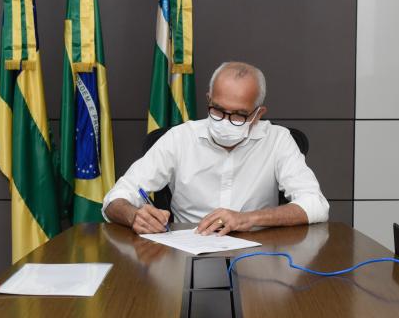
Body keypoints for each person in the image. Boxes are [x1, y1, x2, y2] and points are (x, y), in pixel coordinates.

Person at [103, 61, 329, 235]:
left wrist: (248, 218)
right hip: (185, 251)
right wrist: (134, 216)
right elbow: (116, 198)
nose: (226, 121)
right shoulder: (179, 138)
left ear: (258, 114)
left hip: (256, 253)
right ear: (208, 99)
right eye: (218, 110)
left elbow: (315, 204)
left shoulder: (278, 140)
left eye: (239, 115)